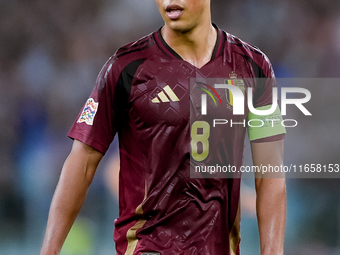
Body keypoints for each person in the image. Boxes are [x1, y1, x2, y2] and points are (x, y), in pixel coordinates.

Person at [40, 0, 286, 254]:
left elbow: (270, 174)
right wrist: (49, 250)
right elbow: (82, 161)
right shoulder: (127, 67)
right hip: (149, 247)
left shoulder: (253, 67)